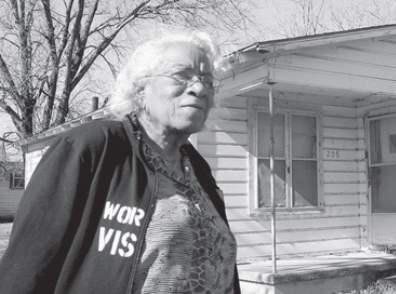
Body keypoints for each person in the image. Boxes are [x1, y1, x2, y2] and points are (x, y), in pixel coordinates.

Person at [0, 32, 240, 294]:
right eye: (181, 75)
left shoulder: (199, 169)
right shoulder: (94, 148)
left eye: (207, 80)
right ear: (140, 89)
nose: (200, 88)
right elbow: (26, 268)